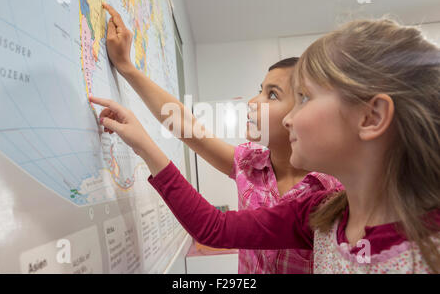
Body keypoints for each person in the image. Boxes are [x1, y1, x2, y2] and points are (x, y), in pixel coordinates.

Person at [91, 17, 440, 273]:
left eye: (297, 97)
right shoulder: (263, 172)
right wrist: (127, 69)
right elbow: (188, 133)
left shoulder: (330, 200)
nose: (252, 103)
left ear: (371, 117)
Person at [100, 3, 341, 274]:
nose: (253, 102)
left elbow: (213, 228)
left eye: (272, 95)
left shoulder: (330, 194)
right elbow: (184, 125)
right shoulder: (250, 162)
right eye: (259, 90)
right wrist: (126, 67)